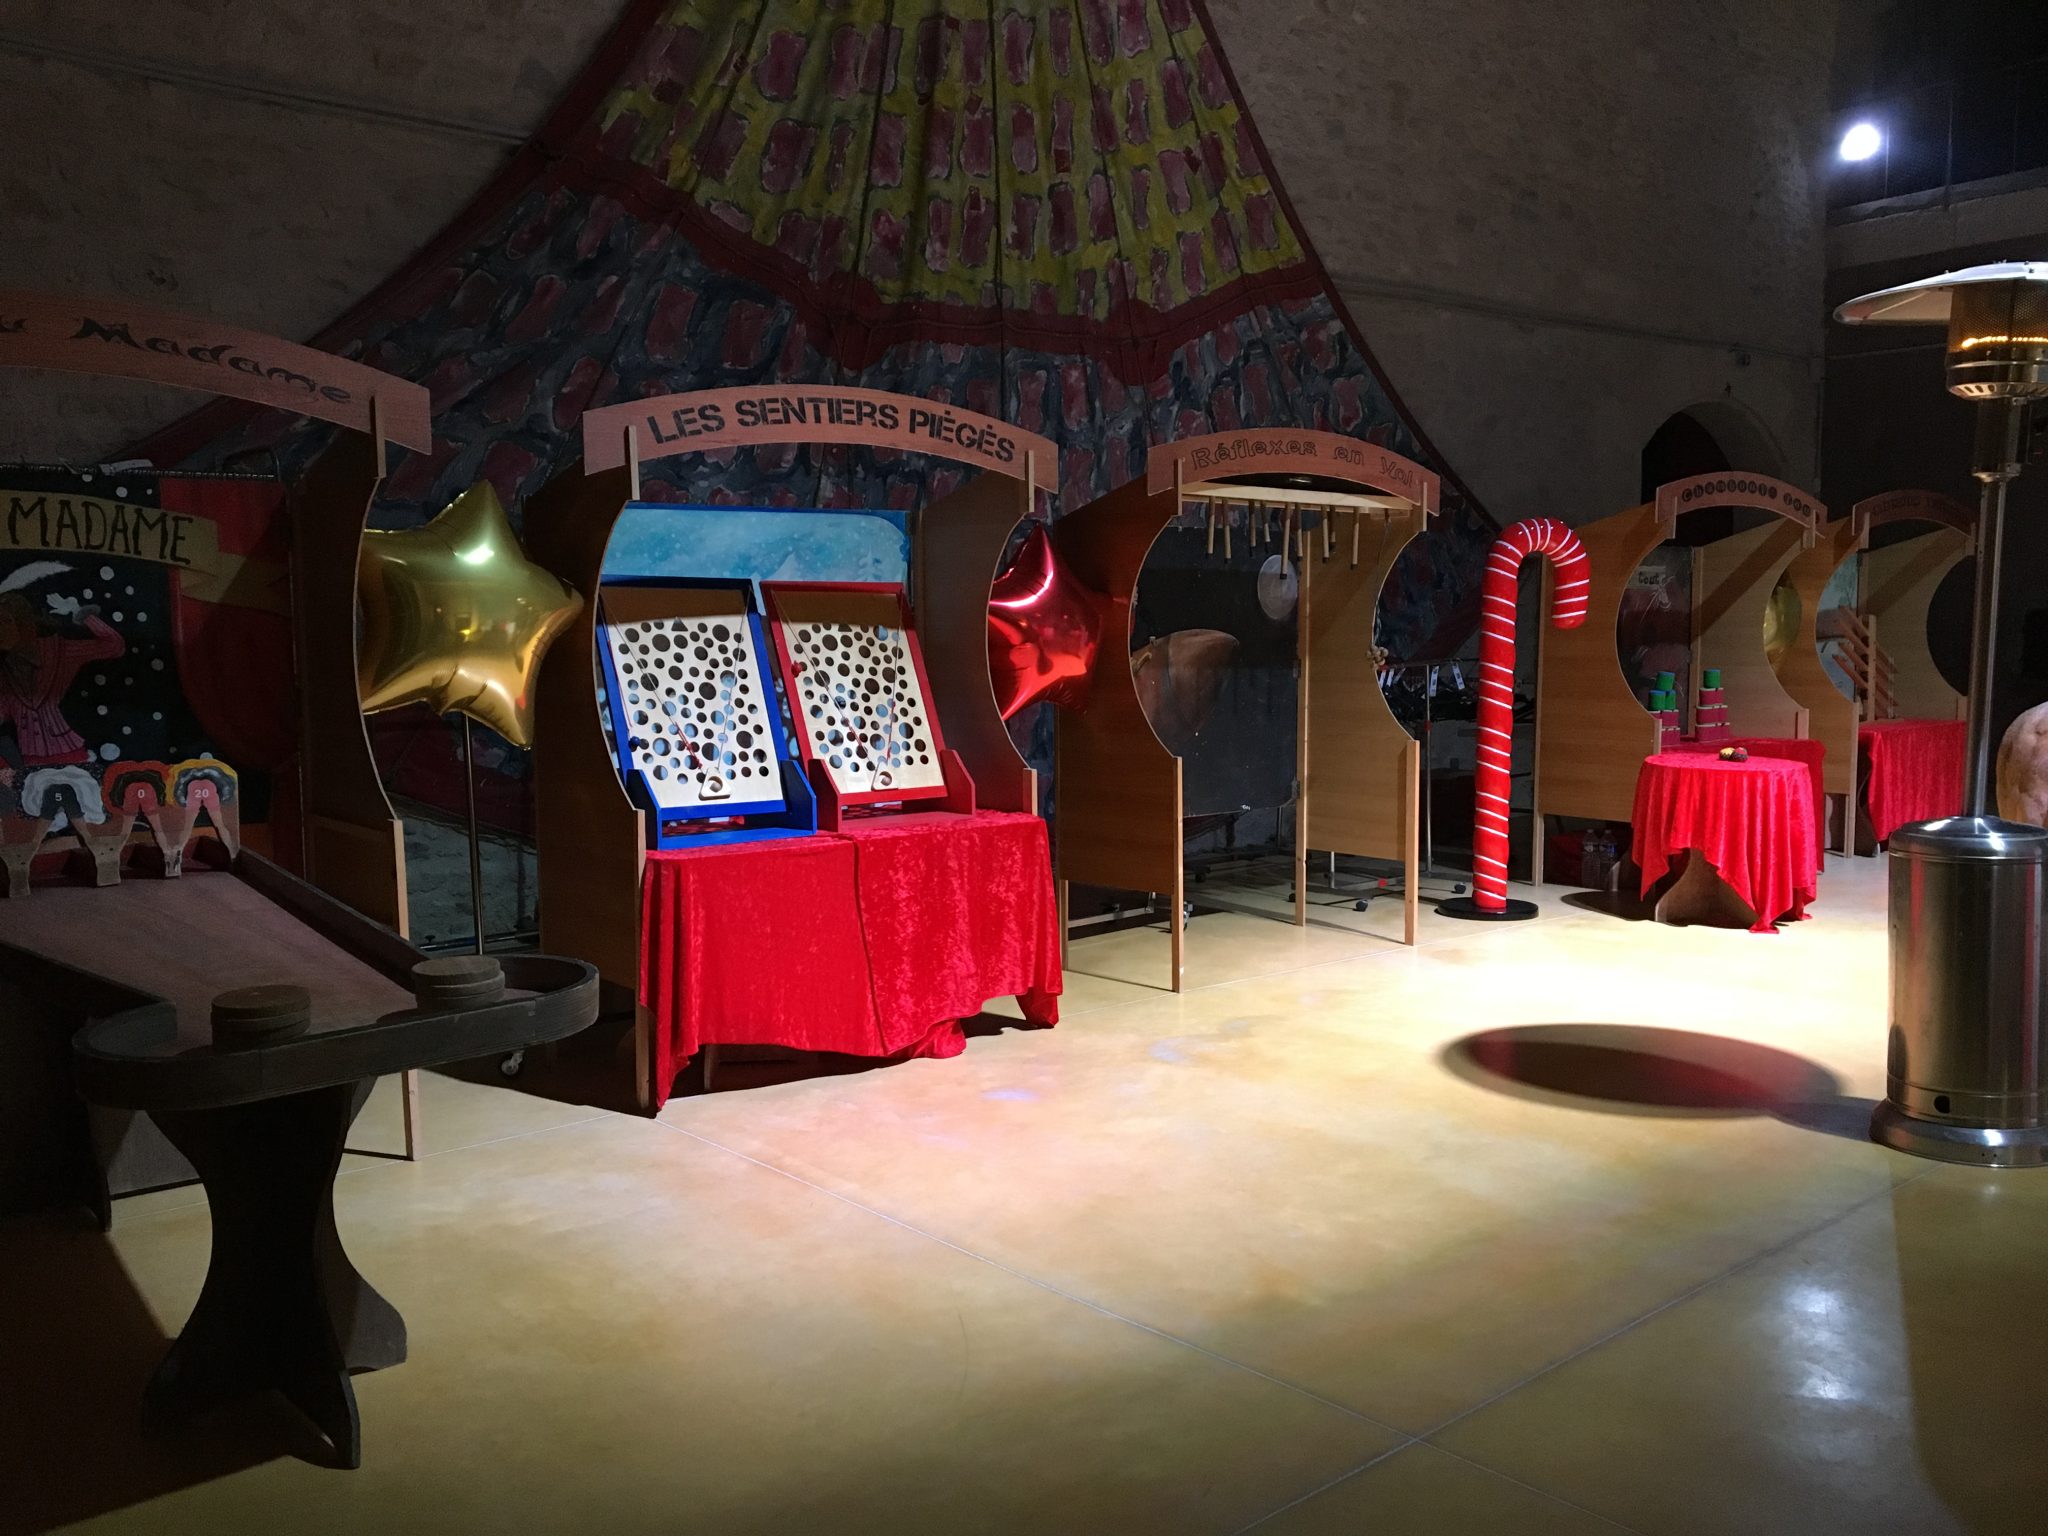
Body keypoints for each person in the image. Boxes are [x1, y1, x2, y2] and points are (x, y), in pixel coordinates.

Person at [0, 590, 126, 822]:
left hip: (68, 750)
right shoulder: (5, 669)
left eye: (6, 621)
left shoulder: (58, 651)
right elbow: (7, 710)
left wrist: (81, 614)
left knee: (87, 811)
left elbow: (113, 645)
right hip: (30, 757)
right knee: (41, 816)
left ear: (23, 622)